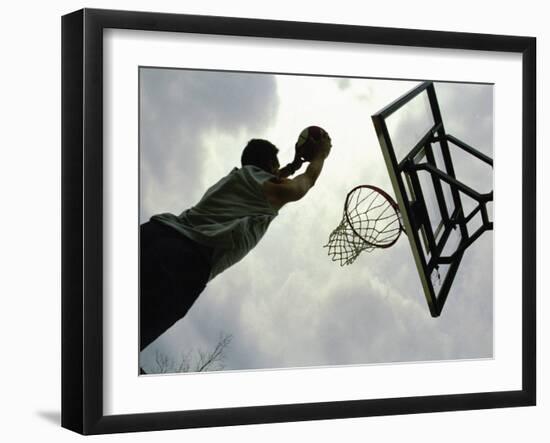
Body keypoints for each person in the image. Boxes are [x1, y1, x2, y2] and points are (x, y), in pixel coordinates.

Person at [140, 131, 332, 350]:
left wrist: (294, 164)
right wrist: (320, 156)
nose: (280, 174)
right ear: (269, 165)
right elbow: (301, 186)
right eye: (276, 167)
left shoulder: (239, 179)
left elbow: (275, 176)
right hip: (182, 260)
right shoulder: (264, 188)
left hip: (155, 233)